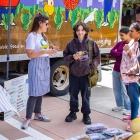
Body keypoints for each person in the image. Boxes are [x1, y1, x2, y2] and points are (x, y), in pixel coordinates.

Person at [21, 13, 59, 130]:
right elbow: (30, 54)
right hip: (36, 65)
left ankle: (38, 114)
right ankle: (27, 118)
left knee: (41, 89)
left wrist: (52, 49)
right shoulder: (31, 36)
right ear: (40, 23)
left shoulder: (42, 36)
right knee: (34, 92)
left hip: (44, 64)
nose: (48, 26)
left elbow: (43, 48)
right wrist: (45, 52)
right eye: (46, 24)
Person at [63, 22, 100, 125]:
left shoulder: (91, 43)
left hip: (86, 74)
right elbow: (65, 56)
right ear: (75, 31)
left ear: (86, 31)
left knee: (85, 95)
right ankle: (73, 112)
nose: (80, 32)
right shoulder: (71, 44)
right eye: (78, 30)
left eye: (82, 30)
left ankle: (86, 115)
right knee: (73, 95)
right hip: (74, 73)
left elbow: (97, 56)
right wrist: (72, 57)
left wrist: (93, 65)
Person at [120, 22, 140, 131]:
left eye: (132, 31)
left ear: (138, 32)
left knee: (134, 98)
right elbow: (124, 60)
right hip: (126, 74)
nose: (130, 33)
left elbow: (136, 61)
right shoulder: (132, 41)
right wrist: (121, 71)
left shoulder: (138, 45)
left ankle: (133, 120)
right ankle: (133, 114)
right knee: (130, 96)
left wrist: (128, 51)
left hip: (133, 76)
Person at [110, 28, 131, 115]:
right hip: (116, 69)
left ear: (128, 34)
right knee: (116, 88)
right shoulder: (119, 44)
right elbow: (111, 52)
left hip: (125, 70)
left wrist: (118, 53)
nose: (120, 37)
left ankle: (128, 108)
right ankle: (120, 105)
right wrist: (120, 54)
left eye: (122, 35)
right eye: (120, 35)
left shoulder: (131, 44)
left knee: (125, 90)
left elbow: (126, 56)